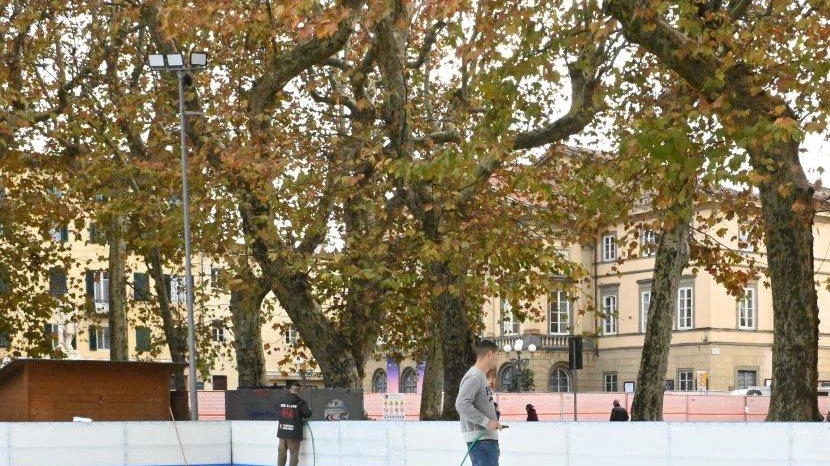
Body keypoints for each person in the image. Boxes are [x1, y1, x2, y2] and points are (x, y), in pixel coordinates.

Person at [456, 340, 503, 466]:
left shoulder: (480, 376)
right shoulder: (474, 376)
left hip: (484, 441)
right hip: (482, 442)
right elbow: (461, 404)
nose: (498, 359)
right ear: (490, 354)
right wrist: (486, 422)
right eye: (497, 354)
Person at [277, 380, 312, 466]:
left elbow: (277, 412)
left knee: (281, 453)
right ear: (298, 390)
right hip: (294, 433)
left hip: (282, 431)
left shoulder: (281, 400)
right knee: (293, 455)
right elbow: (307, 414)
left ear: (290, 389)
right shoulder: (300, 402)